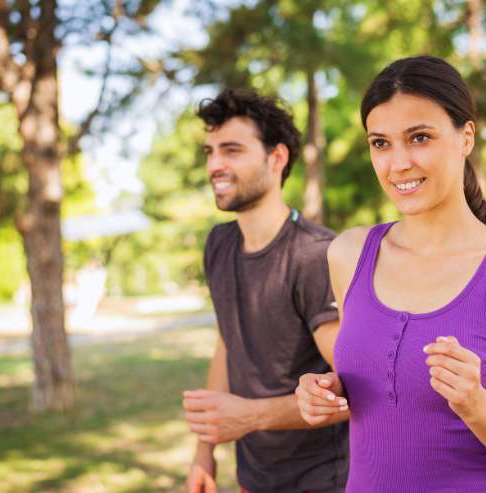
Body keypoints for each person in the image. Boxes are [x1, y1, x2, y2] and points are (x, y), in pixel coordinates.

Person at [295, 55, 486, 492]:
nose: (398, 163)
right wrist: (324, 392)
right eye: (380, 143)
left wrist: (476, 405)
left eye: (419, 137)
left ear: (466, 137)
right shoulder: (348, 254)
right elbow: (384, 386)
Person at [182, 89, 349, 493]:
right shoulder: (218, 245)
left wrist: (252, 416)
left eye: (232, 150)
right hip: (253, 478)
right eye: (210, 152)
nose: (215, 165)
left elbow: (355, 389)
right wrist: (204, 451)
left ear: (277, 158)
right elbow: (228, 343)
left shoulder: (316, 255)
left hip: (324, 480)